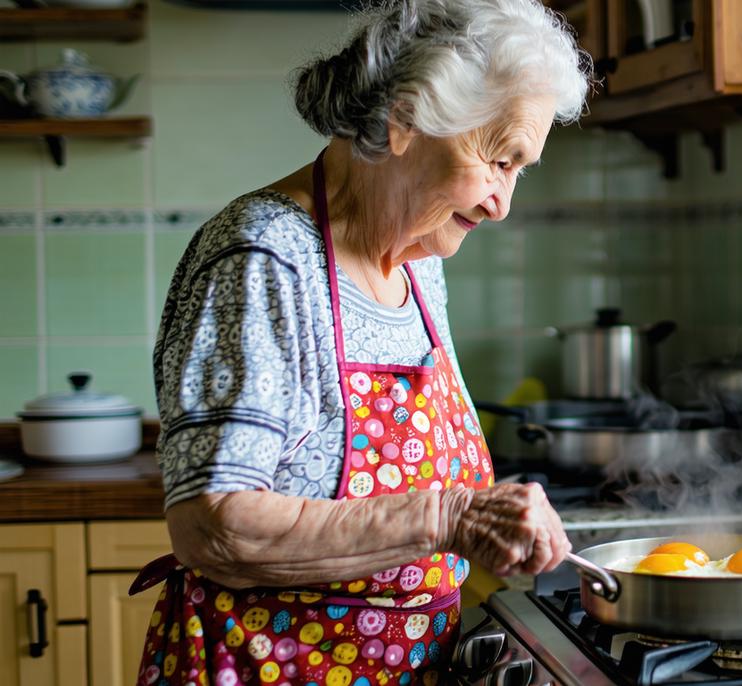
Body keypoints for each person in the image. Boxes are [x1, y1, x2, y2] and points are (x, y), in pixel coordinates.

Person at [130, 2, 590, 684]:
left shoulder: (418, 260)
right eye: (497, 159)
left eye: (517, 169)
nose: (503, 203)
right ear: (404, 121)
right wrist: (448, 515)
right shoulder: (264, 259)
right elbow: (212, 526)